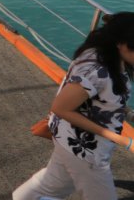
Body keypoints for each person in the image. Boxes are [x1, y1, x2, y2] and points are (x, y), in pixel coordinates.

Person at [14, 12, 134, 200]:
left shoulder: (103, 54)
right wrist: (125, 142)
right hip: (86, 151)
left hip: (68, 139)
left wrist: (127, 114)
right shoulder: (98, 71)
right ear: (120, 42)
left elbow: (103, 100)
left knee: (50, 185)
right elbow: (60, 107)